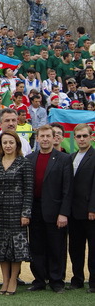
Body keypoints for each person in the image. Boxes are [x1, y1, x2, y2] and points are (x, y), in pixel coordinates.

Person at [0, 131, 34, 295]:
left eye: (11, 142)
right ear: (1, 145)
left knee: (15, 247)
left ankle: (13, 280)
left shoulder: (24, 163)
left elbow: (28, 190)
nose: (8, 145)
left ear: (17, 144)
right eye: (5, 142)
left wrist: (25, 213)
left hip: (17, 212)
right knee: (1, 248)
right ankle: (4, 280)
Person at [26, 125, 73, 293]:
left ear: (54, 138)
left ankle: (56, 281)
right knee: (37, 247)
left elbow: (68, 189)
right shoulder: (29, 158)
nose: (45, 139)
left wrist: (63, 213)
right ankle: (39, 280)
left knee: (56, 247)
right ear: (37, 139)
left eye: (48, 136)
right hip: (35, 209)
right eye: (42, 136)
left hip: (55, 211)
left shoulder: (64, 159)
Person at [68, 123, 95, 293]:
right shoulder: (71, 157)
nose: (82, 139)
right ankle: (77, 279)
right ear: (75, 138)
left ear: (91, 137)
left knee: (93, 249)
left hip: (90, 212)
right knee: (75, 248)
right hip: (73, 211)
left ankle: (93, 282)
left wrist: (93, 208)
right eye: (79, 136)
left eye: (85, 136)